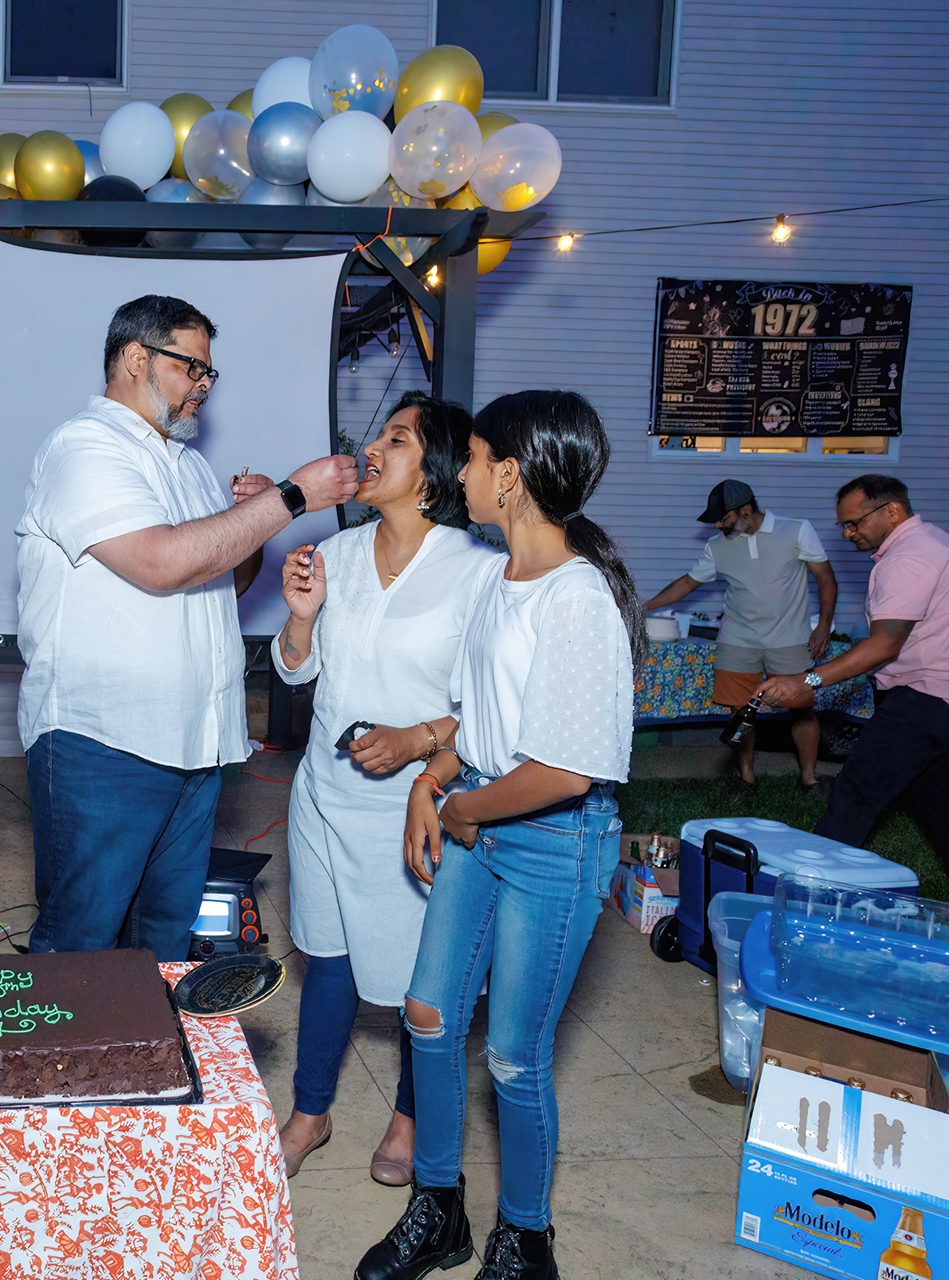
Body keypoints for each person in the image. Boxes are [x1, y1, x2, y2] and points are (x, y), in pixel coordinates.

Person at [358, 390, 640, 1280]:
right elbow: (478, 724)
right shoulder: (498, 579)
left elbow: (566, 771)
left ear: (511, 476)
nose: (465, 473)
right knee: (429, 1016)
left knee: (515, 1058)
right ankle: (438, 1208)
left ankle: (525, 1239)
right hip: (482, 816)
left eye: (476, 458)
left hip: (554, 839)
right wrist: (434, 779)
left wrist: (464, 810)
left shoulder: (577, 598)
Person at [15, 294, 357, 961]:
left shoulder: (190, 464)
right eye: (190, 366)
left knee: (162, 949)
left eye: (209, 371)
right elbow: (163, 562)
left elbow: (222, 578)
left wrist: (257, 519)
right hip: (105, 744)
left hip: (196, 745)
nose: (203, 383)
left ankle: (151, 1035)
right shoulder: (85, 448)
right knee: (81, 951)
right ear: (135, 358)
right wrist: (291, 498)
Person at [269, 392, 497, 1187]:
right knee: (327, 957)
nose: (372, 449)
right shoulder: (335, 554)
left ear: (435, 472)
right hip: (323, 799)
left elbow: (497, 712)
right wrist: (302, 618)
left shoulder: (479, 573)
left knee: (418, 979)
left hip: (416, 809)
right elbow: (295, 671)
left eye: (396, 440)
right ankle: (310, 1113)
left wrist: (418, 741)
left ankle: (409, 1117)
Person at [756, 475, 949, 862]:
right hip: (939, 699)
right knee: (937, 800)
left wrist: (807, 680)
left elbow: (884, 644)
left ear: (892, 511)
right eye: (843, 525)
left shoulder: (907, 557)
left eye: (854, 523)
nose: (847, 534)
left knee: (855, 793)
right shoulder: (933, 541)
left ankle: (810, 884)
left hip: (923, 697)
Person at [642, 479, 836, 788]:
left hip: (789, 638)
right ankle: (746, 778)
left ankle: (809, 779)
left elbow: (825, 578)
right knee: (741, 711)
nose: (717, 525)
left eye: (723, 518)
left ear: (745, 510)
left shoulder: (796, 530)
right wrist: (642, 607)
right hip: (737, 639)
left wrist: (824, 625)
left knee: (802, 710)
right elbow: (687, 583)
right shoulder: (716, 546)